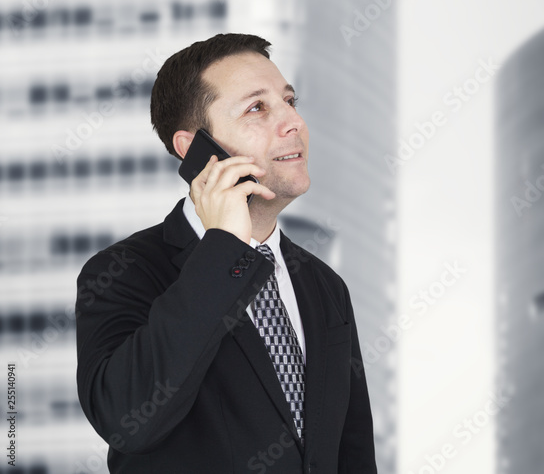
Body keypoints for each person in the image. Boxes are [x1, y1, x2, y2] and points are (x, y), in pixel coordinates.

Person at [74, 33, 377, 473]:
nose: (292, 121)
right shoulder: (121, 271)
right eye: (257, 108)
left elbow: (352, 454)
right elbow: (127, 422)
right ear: (196, 150)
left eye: (290, 101)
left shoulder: (324, 284)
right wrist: (224, 249)